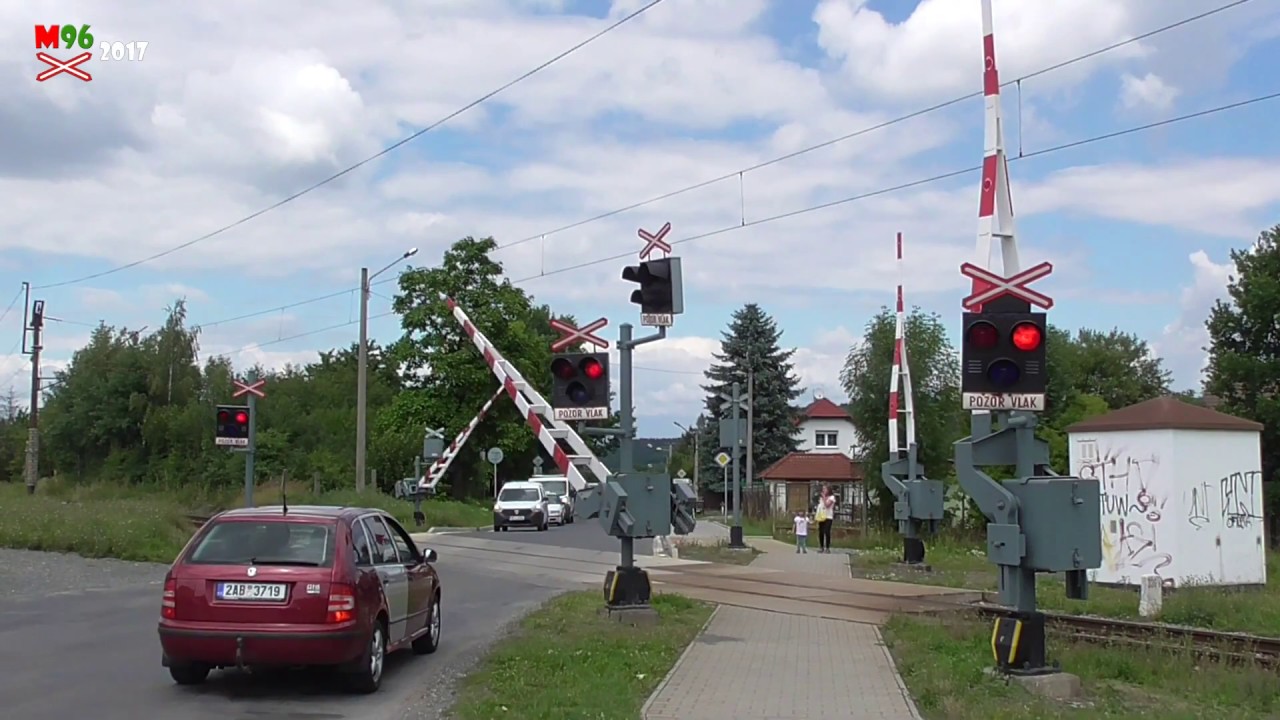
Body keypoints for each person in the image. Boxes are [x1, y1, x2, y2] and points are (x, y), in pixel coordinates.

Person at [815, 485, 836, 553]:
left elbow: (827, 505)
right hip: (821, 516)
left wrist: (824, 498)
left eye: (825, 489)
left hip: (828, 517)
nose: (823, 490)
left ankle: (827, 547)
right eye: (823, 489)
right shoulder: (821, 498)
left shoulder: (832, 497)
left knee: (827, 532)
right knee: (821, 532)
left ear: (828, 490)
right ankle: (821, 547)